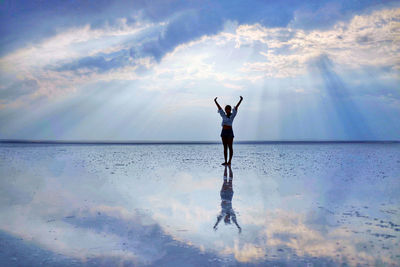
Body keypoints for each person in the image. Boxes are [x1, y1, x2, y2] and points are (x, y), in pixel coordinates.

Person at [214, 96, 243, 165]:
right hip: (223, 132)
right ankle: (225, 161)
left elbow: (236, 107)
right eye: (226, 109)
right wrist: (215, 101)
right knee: (225, 147)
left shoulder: (232, 115)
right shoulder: (223, 115)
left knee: (230, 147)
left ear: (230, 110)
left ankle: (229, 161)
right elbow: (219, 108)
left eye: (228, 109)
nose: (227, 110)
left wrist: (240, 100)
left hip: (230, 132)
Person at [213, 165, 241, 233]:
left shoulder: (223, 214)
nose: (227, 218)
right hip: (228, 196)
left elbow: (218, 221)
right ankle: (229, 167)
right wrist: (238, 227)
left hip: (223, 195)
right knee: (230, 181)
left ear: (225, 218)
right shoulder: (232, 213)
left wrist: (215, 226)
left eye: (226, 219)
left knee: (225, 180)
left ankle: (226, 167)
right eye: (228, 219)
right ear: (229, 219)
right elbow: (235, 222)